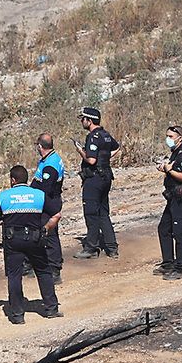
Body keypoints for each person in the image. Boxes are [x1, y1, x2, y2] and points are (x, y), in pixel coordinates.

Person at [0, 165, 60, 324]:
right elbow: (56, 214)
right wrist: (46, 229)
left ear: (12, 180)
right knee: (43, 272)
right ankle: (51, 309)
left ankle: (18, 315)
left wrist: (5, 222)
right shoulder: (38, 195)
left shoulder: (3, 196)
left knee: (14, 276)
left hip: (13, 240)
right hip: (35, 238)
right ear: (26, 179)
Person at [75, 106, 119, 259]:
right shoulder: (105, 135)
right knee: (103, 213)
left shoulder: (93, 137)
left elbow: (91, 160)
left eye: (83, 119)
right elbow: (116, 148)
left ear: (89, 120)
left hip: (94, 179)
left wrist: (81, 151)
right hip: (106, 176)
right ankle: (112, 247)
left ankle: (91, 248)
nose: (82, 121)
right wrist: (105, 158)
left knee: (91, 214)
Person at [157, 124, 182, 277]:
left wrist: (169, 170)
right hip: (172, 196)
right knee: (164, 228)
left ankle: (181, 267)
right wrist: (165, 169)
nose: (168, 139)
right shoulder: (175, 152)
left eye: (171, 137)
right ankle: (168, 263)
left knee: (180, 232)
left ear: (180, 137)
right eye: (167, 136)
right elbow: (173, 171)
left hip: (181, 197)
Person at [33, 134, 65, 282]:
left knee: (49, 234)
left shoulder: (50, 164)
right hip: (47, 200)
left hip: (49, 202)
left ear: (40, 146)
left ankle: (54, 269)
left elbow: (46, 188)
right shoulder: (48, 159)